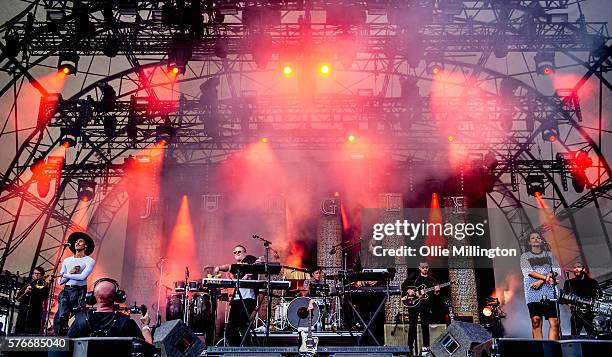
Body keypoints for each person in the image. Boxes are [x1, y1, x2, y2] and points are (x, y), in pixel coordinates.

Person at [67, 278, 152, 344]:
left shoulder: (79, 320)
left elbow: (65, 349)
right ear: (117, 297)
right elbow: (148, 349)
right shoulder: (126, 322)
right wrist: (145, 327)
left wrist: (72, 326)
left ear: (92, 297)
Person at [213, 244, 258, 346]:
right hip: (237, 298)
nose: (237, 253)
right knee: (231, 325)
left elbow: (258, 262)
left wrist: (248, 274)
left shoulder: (249, 259)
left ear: (244, 252)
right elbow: (228, 266)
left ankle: (247, 347)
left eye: (239, 251)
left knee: (243, 322)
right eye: (235, 252)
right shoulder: (236, 266)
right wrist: (218, 268)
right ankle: (235, 348)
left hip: (248, 298)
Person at [520, 231, 561, 340]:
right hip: (533, 291)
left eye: (538, 237)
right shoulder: (525, 256)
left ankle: (552, 350)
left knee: (554, 322)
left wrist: (541, 281)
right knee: (536, 321)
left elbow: (556, 270)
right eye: (533, 238)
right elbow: (528, 272)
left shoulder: (549, 255)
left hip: (548, 290)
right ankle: (540, 350)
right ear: (529, 242)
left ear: (542, 240)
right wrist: (546, 278)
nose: (536, 239)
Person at [54, 231, 96, 335]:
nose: (77, 243)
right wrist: (69, 272)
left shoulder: (89, 260)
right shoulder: (67, 260)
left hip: (80, 292)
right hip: (67, 290)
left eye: (80, 241)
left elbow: (82, 277)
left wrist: (66, 274)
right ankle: (60, 338)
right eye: (76, 242)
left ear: (85, 246)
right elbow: (60, 281)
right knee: (61, 316)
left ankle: (74, 337)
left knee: (77, 316)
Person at [401, 262, 440, 354]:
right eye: (423, 267)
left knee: (425, 325)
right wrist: (409, 290)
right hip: (414, 304)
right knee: (412, 325)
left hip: (425, 305)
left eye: (426, 267)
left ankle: (425, 347)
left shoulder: (432, 280)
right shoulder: (414, 276)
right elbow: (403, 286)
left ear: (428, 268)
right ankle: (409, 347)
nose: (425, 269)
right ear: (419, 268)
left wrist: (437, 292)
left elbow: (435, 295)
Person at [563, 261, 601, 335]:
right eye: (574, 268)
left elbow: (599, 296)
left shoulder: (592, 282)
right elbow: (564, 298)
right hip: (576, 313)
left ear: (583, 269)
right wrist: (569, 304)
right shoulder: (569, 282)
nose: (576, 269)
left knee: (593, 334)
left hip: (590, 314)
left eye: (578, 267)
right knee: (575, 335)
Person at [14, 266, 50, 334]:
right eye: (34, 273)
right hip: (24, 312)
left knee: (31, 332)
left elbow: (43, 297)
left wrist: (33, 290)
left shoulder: (43, 284)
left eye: (37, 273)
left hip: (35, 312)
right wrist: (25, 292)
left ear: (41, 275)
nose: (35, 275)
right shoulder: (29, 283)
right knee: (19, 331)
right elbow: (19, 299)